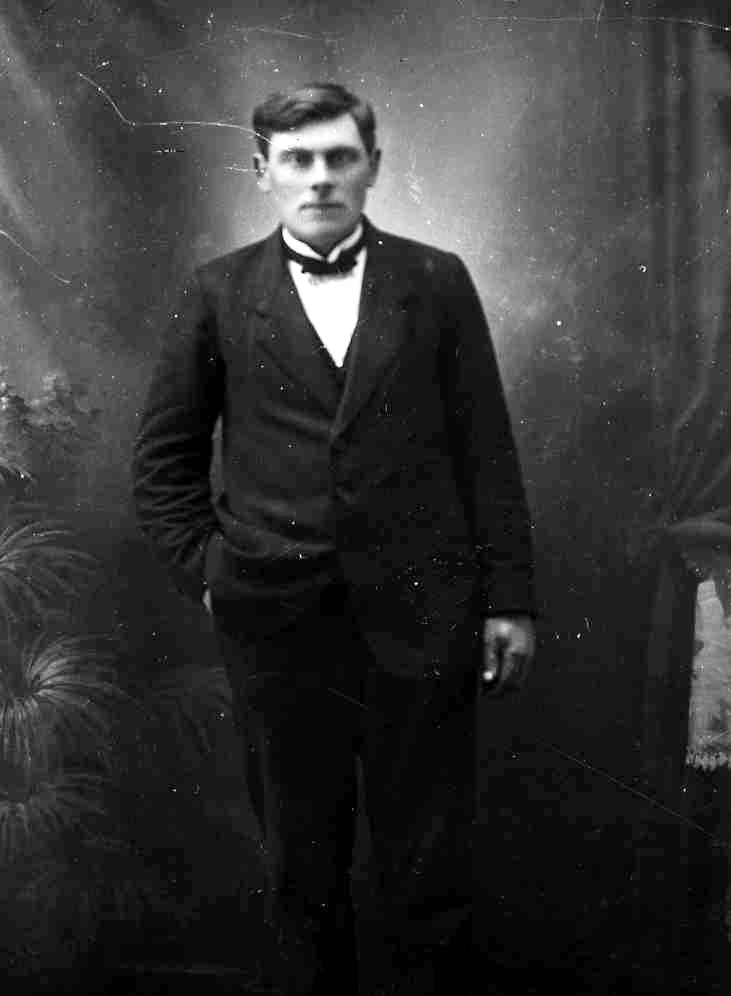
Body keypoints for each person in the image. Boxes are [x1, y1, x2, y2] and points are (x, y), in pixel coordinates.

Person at [132, 82, 536, 996]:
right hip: (276, 625)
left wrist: (509, 598)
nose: (320, 178)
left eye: (339, 158)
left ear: (373, 167)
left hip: (424, 617)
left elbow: (487, 451)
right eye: (299, 160)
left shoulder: (436, 281)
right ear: (263, 171)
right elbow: (163, 463)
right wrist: (214, 575)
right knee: (301, 873)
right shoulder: (218, 291)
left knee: (430, 873)